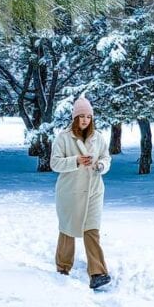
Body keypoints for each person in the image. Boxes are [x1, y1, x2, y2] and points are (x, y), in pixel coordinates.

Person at [50, 96, 112, 290]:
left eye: (88, 117)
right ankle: (62, 268)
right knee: (68, 229)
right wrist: (75, 161)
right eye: (81, 116)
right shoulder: (64, 137)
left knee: (92, 230)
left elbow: (106, 157)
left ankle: (98, 273)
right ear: (75, 117)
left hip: (93, 190)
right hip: (70, 191)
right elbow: (55, 163)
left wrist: (101, 165)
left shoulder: (98, 138)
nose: (85, 120)